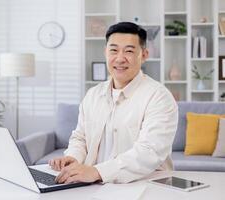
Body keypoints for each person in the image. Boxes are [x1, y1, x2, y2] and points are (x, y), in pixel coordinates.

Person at [49, 22, 178, 184]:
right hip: (93, 185)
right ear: (105, 52)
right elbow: (80, 137)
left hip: (143, 185)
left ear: (144, 55)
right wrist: (73, 157)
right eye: (114, 50)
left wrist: (97, 172)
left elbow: (149, 152)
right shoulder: (93, 95)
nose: (120, 58)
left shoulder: (159, 97)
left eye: (129, 51)